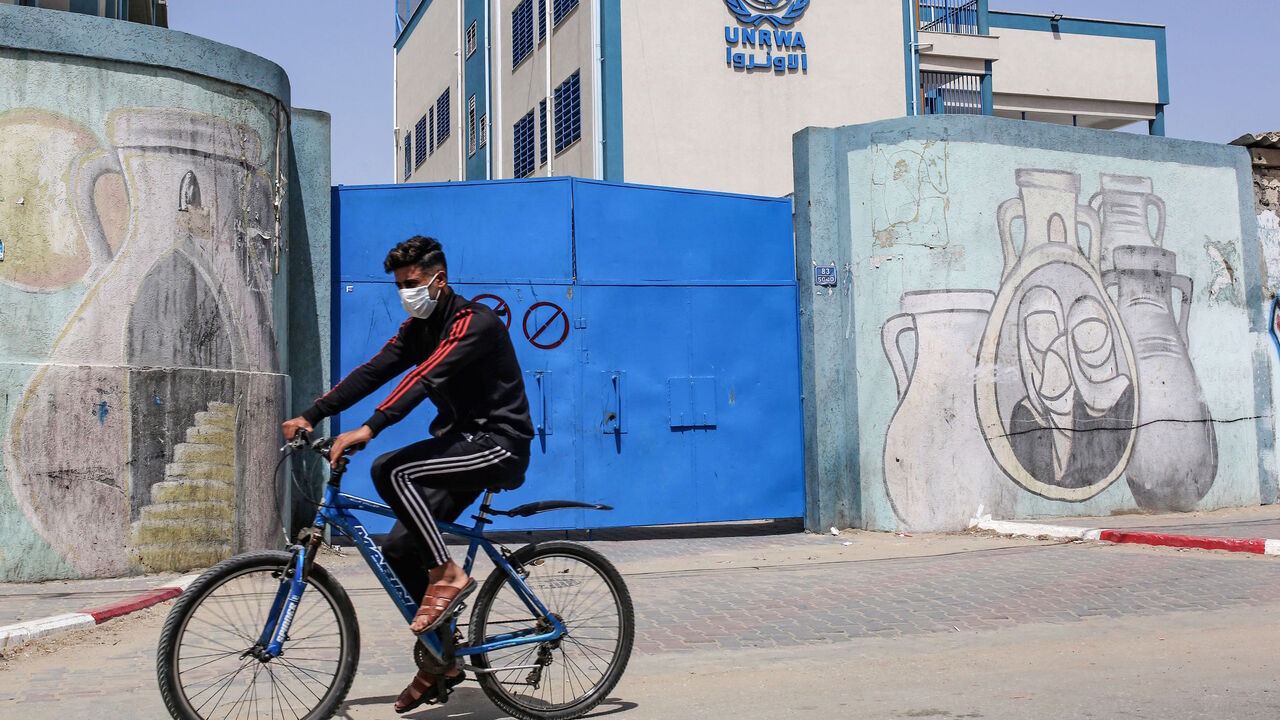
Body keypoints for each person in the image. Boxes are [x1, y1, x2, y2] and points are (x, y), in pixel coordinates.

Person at [281, 235, 534, 713]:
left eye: (412, 283)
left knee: (391, 468)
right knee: (397, 546)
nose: (405, 292)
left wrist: (370, 427)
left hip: (499, 445)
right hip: (459, 445)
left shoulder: (473, 322)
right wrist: (313, 414)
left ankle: (448, 573)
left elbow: (424, 378)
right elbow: (373, 371)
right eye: (399, 285)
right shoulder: (419, 328)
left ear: (439, 278)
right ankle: (445, 657)